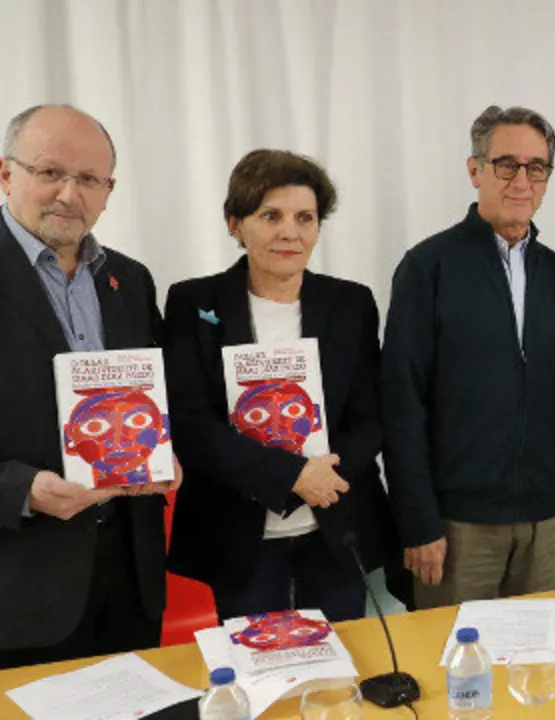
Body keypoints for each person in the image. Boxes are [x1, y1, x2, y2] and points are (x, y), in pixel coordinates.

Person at [164, 149, 395, 622]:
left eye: (305, 218)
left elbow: (370, 415)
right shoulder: (193, 303)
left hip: (334, 523)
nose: (290, 232)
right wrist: (290, 477)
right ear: (235, 223)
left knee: (339, 672)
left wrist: (320, 479)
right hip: (237, 532)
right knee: (255, 672)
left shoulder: (351, 303)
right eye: (271, 216)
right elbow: (190, 423)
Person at [383, 106, 555, 609]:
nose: (522, 180)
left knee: (533, 672)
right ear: (475, 170)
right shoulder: (427, 268)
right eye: (506, 164)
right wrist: (418, 522)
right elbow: (400, 403)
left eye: (536, 167)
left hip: (546, 519)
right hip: (457, 528)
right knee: (452, 677)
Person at [0, 105, 179, 668]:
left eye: (89, 180)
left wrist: (167, 454)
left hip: (130, 572)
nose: (70, 195)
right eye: (50, 172)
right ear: (7, 174)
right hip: (21, 584)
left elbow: (156, 401)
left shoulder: (130, 279)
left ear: (109, 189)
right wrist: (22, 490)